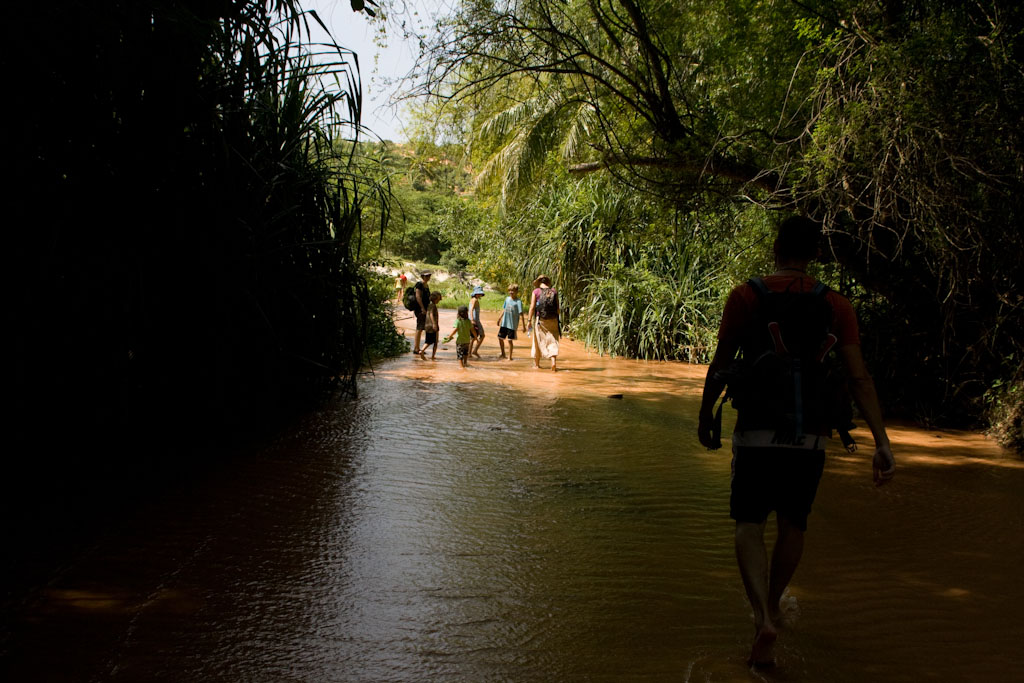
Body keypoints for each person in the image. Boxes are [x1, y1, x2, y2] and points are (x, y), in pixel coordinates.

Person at [697, 215, 895, 668]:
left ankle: (761, 615)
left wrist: (706, 414)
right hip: (810, 437)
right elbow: (858, 377)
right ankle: (775, 601)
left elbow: (722, 362)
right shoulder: (837, 306)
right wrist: (882, 441)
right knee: (794, 524)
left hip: (756, 432)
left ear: (775, 248)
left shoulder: (745, 295)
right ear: (815, 256)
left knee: (748, 522)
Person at [528, 275, 560, 371]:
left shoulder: (536, 292)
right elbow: (558, 309)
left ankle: (537, 365)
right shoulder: (554, 291)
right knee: (553, 339)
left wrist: (529, 321)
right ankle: (553, 361)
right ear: (548, 282)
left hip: (540, 320)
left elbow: (532, 307)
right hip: (553, 319)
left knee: (537, 340)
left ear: (538, 283)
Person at [496, 284, 528, 360]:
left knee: (510, 340)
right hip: (504, 323)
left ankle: (510, 357)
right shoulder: (507, 299)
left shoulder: (518, 302)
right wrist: (499, 318)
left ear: (516, 291)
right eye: (509, 291)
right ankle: (503, 354)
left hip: (512, 325)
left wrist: (524, 326)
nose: (511, 292)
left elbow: (521, 314)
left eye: (512, 291)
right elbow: (504, 309)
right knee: (500, 338)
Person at [412, 271, 432, 355]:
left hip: (425, 309)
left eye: (429, 276)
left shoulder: (426, 285)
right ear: (422, 276)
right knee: (419, 328)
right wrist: (422, 308)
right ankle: (416, 348)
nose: (428, 277)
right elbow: (418, 297)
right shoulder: (419, 285)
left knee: (421, 328)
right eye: (426, 276)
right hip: (420, 309)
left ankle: (417, 348)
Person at [421, 291, 443, 359]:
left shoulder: (429, 305)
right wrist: (434, 324)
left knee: (428, 340)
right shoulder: (433, 306)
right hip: (433, 325)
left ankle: (423, 351)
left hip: (427, 325)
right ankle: (431, 355)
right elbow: (431, 314)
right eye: (438, 299)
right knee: (435, 341)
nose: (439, 301)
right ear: (435, 299)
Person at [468, 285, 486, 358]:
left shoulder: (472, 299)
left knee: (473, 337)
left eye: (480, 294)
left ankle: (470, 353)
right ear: (475, 293)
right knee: (482, 336)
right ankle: (474, 351)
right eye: (478, 293)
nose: (479, 295)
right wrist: (472, 320)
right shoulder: (475, 300)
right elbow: (471, 310)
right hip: (475, 321)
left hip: (473, 320)